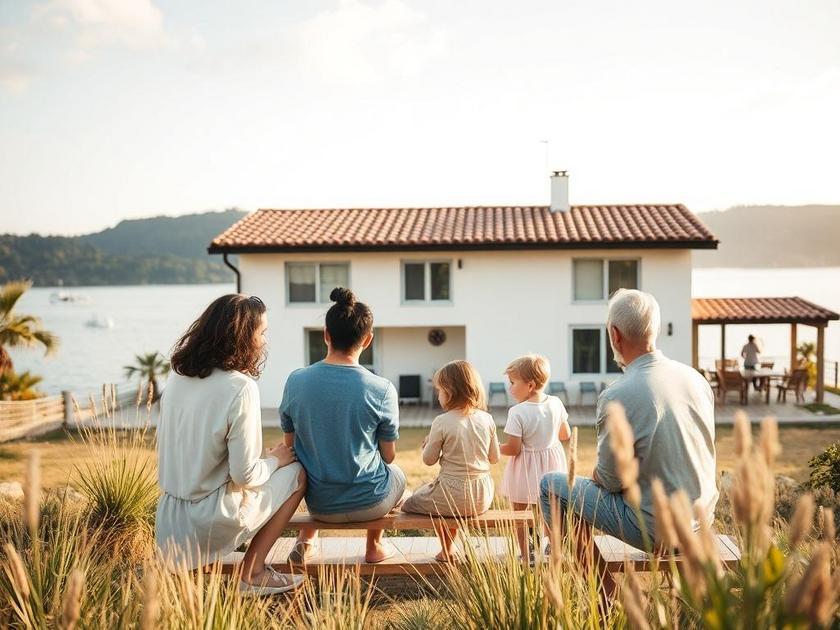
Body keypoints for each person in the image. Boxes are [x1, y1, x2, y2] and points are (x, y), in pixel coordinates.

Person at [540, 289, 718, 594]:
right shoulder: (695, 379)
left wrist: (598, 477)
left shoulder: (618, 394)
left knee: (551, 487)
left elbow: (609, 480)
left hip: (655, 529)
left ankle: (606, 597)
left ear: (614, 334)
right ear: (656, 330)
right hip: (699, 519)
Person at [155, 294, 307, 596]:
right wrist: (277, 459)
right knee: (298, 474)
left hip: (169, 524)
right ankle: (253, 572)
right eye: (261, 332)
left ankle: (199, 569)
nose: (264, 341)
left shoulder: (177, 378)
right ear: (242, 335)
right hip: (210, 521)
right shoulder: (241, 388)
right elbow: (245, 475)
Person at [281, 287, 405, 565]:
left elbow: (290, 447)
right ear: (368, 340)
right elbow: (388, 456)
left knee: (313, 463)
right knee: (395, 472)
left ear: (326, 334)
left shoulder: (296, 381)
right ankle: (374, 547)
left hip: (320, 506)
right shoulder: (381, 388)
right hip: (372, 503)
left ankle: (305, 540)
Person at [402, 360, 500, 562]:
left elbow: (429, 460)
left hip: (452, 493)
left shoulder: (441, 421)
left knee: (410, 501)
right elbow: (494, 458)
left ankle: (447, 550)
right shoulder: (487, 419)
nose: (438, 395)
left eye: (439, 390)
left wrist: (428, 443)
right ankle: (448, 549)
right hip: (482, 495)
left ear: (449, 391)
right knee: (441, 497)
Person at [499, 354, 571, 561]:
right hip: (552, 465)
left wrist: (494, 448)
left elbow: (513, 449)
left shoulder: (517, 412)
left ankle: (525, 552)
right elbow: (565, 435)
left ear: (529, 385)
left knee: (520, 512)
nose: (510, 387)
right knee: (551, 509)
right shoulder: (556, 403)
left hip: (525, 468)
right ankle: (554, 546)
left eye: (513, 383)